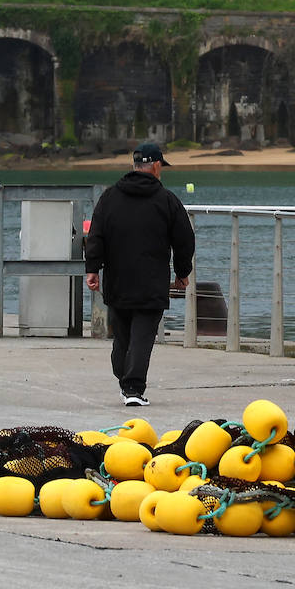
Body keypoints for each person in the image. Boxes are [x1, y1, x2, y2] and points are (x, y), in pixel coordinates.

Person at [84, 142, 195, 407]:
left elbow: (96, 235)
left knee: (123, 335)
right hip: (151, 283)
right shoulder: (167, 200)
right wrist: (182, 272)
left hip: (117, 280)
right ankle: (133, 389)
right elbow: (184, 240)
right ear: (156, 166)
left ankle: (123, 375)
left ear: (134, 165)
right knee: (142, 337)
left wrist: (92, 269)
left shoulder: (110, 197)